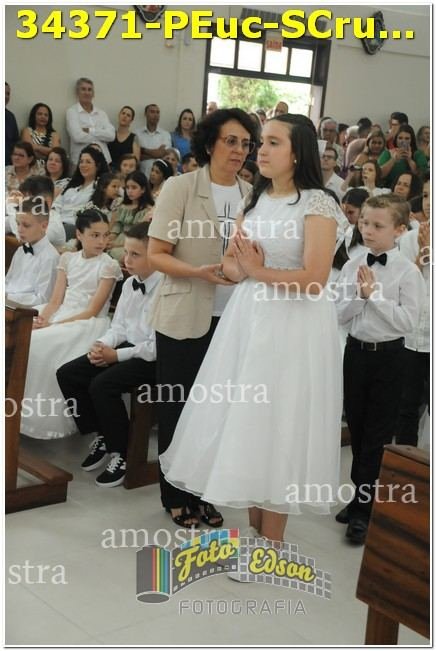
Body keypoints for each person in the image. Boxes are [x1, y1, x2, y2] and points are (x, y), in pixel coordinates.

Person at [158, 113, 349, 543]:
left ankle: (272, 544)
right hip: (249, 320)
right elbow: (232, 264)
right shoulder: (254, 199)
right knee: (246, 422)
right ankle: (253, 535)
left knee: (280, 426)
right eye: (261, 142)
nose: (260, 150)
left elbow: (315, 278)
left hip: (294, 325)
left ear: (297, 153)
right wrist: (238, 267)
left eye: (273, 143)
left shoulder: (318, 203)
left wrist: (257, 271)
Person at [148, 107, 258, 529]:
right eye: (231, 141)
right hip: (185, 311)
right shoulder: (181, 187)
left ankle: (204, 493)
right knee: (178, 407)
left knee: (218, 411)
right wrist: (198, 272)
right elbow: (157, 255)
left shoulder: (252, 195)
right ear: (210, 143)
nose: (239, 150)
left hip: (233, 319)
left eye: (246, 143)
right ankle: (175, 495)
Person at [335, 194, 425, 544]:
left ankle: (363, 509)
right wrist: (359, 296)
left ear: (399, 230)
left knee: (377, 434)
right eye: (364, 223)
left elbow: (406, 322)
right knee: (358, 431)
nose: (368, 230)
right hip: (356, 354)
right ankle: (361, 496)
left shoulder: (408, 271)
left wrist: (374, 296)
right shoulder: (352, 265)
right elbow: (339, 314)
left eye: (377, 225)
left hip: (391, 358)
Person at [56, 222, 161, 486]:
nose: (127, 260)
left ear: (155, 255)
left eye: (135, 254)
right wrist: (101, 345)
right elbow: (119, 327)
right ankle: (102, 434)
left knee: (102, 385)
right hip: (126, 348)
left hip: (151, 358)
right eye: (126, 252)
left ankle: (122, 452)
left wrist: (116, 357)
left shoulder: (166, 289)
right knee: (68, 374)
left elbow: (154, 347)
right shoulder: (130, 284)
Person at [20, 208, 123, 440]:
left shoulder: (108, 265)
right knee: (24, 331)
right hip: (62, 312)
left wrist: (55, 326)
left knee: (39, 344)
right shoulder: (68, 259)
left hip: (87, 322)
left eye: (105, 235)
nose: (101, 241)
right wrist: (45, 319)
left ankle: (36, 415)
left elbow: (92, 310)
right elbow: (56, 300)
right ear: (79, 234)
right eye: (94, 235)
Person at [396, 173, 430, 446]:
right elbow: (403, 284)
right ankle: (404, 461)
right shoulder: (408, 239)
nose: (429, 202)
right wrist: (421, 255)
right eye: (427, 195)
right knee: (406, 404)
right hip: (410, 334)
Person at [5, 196, 59, 306]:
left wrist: (8, 297)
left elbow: (43, 299)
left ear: (44, 226)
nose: (19, 230)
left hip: (24, 311)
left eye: (26, 225)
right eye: (18, 223)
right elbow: (7, 282)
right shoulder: (21, 250)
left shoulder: (50, 257)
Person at [51, 145, 109, 240]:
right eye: (81, 161)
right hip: (56, 223)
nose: (83, 165)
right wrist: (54, 220)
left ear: (98, 166)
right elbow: (56, 205)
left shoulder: (100, 188)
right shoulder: (70, 186)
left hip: (75, 227)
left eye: (88, 162)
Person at [5, 175, 66, 248]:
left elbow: (26, 242)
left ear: (45, 201)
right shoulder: (29, 215)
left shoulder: (54, 225)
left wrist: (12, 207)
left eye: (28, 199)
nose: (24, 203)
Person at [66, 77, 115, 166]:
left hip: (104, 161)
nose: (87, 93)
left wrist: (89, 130)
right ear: (77, 92)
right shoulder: (72, 112)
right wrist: (102, 135)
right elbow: (77, 136)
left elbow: (111, 136)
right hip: (81, 163)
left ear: (93, 94)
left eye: (89, 90)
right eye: (83, 89)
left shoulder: (101, 113)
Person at [108, 170, 154, 262]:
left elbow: (140, 235)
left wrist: (116, 245)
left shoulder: (148, 211)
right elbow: (117, 226)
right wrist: (110, 240)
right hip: (118, 239)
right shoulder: (122, 206)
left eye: (134, 187)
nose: (129, 191)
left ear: (143, 189)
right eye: (127, 187)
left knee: (119, 255)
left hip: (133, 243)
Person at [135, 104, 171, 178]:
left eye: (157, 112)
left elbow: (162, 154)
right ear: (145, 114)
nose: (155, 115)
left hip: (160, 177)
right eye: (152, 112)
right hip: (141, 175)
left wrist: (143, 150)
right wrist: (156, 154)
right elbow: (137, 157)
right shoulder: (137, 134)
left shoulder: (165, 134)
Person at [108, 105, 140, 170]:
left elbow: (136, 161)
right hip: (109, 171)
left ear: (131, 120)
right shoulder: (110, 134)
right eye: (123, 113)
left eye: (128, 115)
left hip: (126, 171)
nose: (125, 116)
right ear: (119, 115)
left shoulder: (134, 138)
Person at [5, 82, 19, 165]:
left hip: (7, 166)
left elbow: (16, 143)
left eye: (8, 94)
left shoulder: (10, 117)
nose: (6, 96)